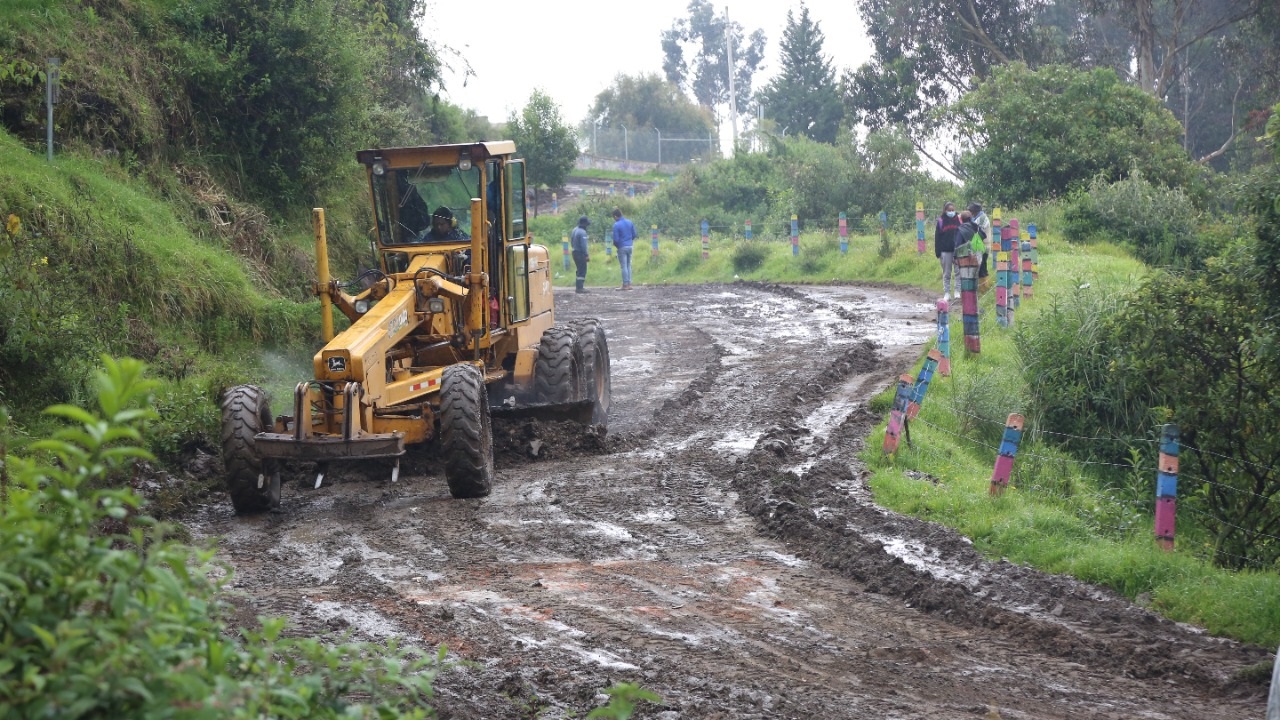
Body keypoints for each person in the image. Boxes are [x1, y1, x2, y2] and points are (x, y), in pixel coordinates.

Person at [934, 201, 961, 300]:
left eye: (953, 210)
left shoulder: (959, 219)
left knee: (958, 272)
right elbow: (937, 237)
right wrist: (938, 252)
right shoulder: (941, 221)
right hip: (945, 251)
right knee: (946, 273)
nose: (951, 212)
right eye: (949, 210)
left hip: (958, 250)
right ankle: (947, 292)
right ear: (945, 210)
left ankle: (957, 291)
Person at [611, 207, 637, 290]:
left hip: (622, 247)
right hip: (630, 246)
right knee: (629, 265)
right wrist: (629, 241)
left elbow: (615, 239)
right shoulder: (629, 222)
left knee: (623, 266)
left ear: (615, 216)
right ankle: (629, 284)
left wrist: (617, 246)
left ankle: (625, 284)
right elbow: (634, 234)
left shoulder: (616, 225)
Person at [968, 202, 992, 282]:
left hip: (983, 246)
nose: (970, 212)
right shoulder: (976, 218)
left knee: (982, 268)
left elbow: (977, 232)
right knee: (979, 267)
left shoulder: (982, 219)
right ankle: (981, 285)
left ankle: (984, 286)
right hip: (977, 246)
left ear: (975, 211)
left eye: (971, 210)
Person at [571, 215, 591, 293]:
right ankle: (580, 288)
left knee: (579, 269)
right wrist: (586, 255)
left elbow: (572, 242)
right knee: (582, 270)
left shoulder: (574, 230)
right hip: (580, 253)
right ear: (584, 224)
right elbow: (583, 245)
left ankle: (578, 286)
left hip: (574, 252)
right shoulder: (582, 232)